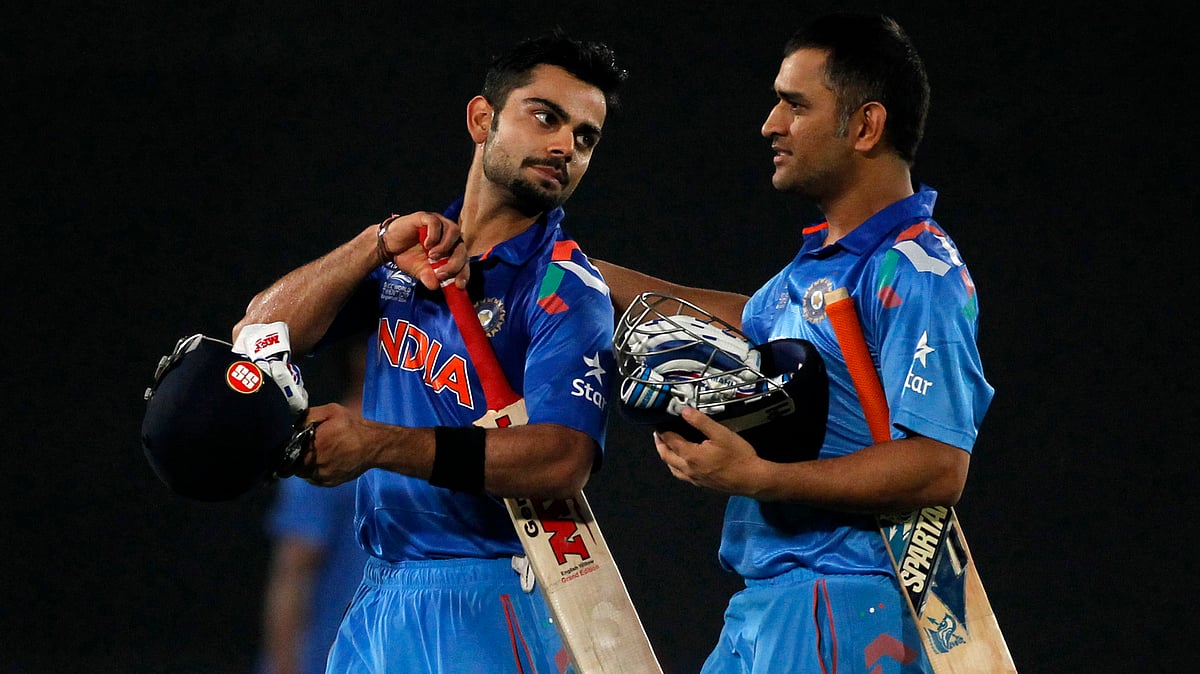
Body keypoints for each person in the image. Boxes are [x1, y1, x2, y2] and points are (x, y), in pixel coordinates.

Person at [595, 12, 992, 673]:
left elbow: (939, 466)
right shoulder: (815, 273)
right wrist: (584, 272)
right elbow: (749, 318)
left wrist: (760, 478)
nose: (770, 124)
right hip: (767, 605)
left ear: (865, 126)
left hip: (843, 602)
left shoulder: (916, 270)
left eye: (796, 105)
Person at [233, 31, 626, 673]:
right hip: (377, 596)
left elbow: (562, 458)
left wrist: (378, 444)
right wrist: (377, 242)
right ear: (481, 119)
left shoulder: (564, 286)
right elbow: (257, 334)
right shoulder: (406, 256)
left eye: (585, 138)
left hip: (489, 596)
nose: (565, 146)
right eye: (545, 117)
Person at [258, 341, 370, 674]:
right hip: (323, 662)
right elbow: (292, 572)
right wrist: (284, 668)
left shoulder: (422, 444)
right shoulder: (325, 446)